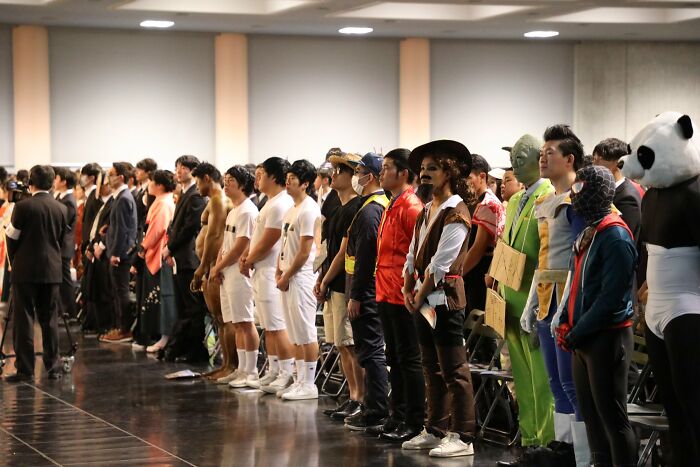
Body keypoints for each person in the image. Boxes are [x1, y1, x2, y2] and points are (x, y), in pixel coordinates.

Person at [554, 166, 638, 467]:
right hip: (584, 337)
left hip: (607, 336)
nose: (574, 194)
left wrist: (577, 330)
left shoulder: (615, 235)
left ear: (599, 193)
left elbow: (612, 298)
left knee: (613, 419)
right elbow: (576, 284)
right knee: (591, 419)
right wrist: (565, 321)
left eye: (580, 188)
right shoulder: (590, 232)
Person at [515, 125, 588, 467]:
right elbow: (544, 258)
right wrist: (532, 301)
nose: (542, 159)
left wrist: (567, 306)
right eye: (541, 153)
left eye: (549, 153)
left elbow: (579, 258)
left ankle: (583, 455)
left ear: (569, 159)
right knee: (556, 381)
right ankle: (563, 447)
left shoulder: (580, 200)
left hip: (568, 301)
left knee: (572, 384)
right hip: (546, 299)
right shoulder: (545, 201)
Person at [401, 140, 476, 458]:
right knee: (430, 366)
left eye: (432, 168)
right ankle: (435, 429)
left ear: (449, 172)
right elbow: (413, 252)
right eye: (422, 169)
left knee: (454, 369)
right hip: (424, 298)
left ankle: (463, 435)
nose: (424, 174)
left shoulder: (456, 212)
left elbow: (441, 263)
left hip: (444, 299)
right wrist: (408, 286)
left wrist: (418, 294)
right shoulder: (428, 209)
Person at [496, 135, 556, 466]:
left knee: (541, 377)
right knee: (520, 375)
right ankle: (530, 438)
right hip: (510, 297)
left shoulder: (549, 197)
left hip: (535, 300)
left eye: (521, 158)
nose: (515, 164)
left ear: (539, 159)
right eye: (512, 159)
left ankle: (546, 442)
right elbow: (505, 246)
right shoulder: (516, 199)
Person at [370, 148, 425, 442]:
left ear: (404, 173)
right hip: (385, 290)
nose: (382, 172)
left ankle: (414, 420)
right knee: (394, 356)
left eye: (387, 167)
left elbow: (419, 255)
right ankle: (397, 414)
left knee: (409, 358)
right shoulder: (392, 203)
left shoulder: (411, 207)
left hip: (403, 293)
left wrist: (410, 288)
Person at [341, 152, 390, 431]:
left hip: (367, 288)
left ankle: (376, 409)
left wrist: (356, 295)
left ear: (369, 176)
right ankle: (374, 406)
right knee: (368, 350)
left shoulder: (372, 209)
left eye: (358, 172)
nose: (355, 177)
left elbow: (365, 256)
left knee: (371, 351)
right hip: (367, 286)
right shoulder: (374, 205)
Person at [4, 165, 67, 381]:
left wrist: (14, 260)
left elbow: (12, 238)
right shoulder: (61, 208)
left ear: (31, 183)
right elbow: (60, 240)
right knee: (50, 320)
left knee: (24, 320)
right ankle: (54, 367)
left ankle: (26, 370)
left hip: (25, 270)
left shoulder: (22, 207)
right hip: (52, 271)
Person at [315, 152, 365, 421]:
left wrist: (325, 279)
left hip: (344, 282)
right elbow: (327, 247)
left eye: (339, 171)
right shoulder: (336, 204)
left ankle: (361, 397)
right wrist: (321, 276)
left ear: (352, 176)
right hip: (332, 281)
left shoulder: (356, 207)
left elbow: (344, 251)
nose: (333, 175)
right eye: (333, 171)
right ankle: (352, 395)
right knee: (341, 345)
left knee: (350, 343)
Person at [239, 157, 295, 394]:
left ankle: (287, 372)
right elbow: (257, 237)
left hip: (272, 270)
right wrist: (247, 257)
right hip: (261, 270)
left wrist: (248, 259)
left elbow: (270, 239)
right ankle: (274, 369)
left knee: (277, 325)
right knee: (268, 326)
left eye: (261, 175)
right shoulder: (269, 202)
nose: (257, 179)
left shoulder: (280, 203)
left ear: (273, 177)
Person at [209, 166, 259, 388]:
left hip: (239, 273)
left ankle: (252, 371)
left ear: (242, 184)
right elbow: (226, 244)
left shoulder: (248, 211)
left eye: (231, 180)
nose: (226, 184)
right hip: (227, 272)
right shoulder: (233, 210)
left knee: (246, 322)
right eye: (225, 179)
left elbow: (240, 246)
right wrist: (218, 265)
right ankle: (241, 369)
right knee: (236, 323)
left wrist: (218, 266)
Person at [276, 159, 322, 400]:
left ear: (305, 183)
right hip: (287, 275)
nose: (288, 183)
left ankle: (309, 384)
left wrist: (287, 274)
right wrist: (279, 270)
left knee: (305, 330)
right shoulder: (291, 209)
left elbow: (305, 252)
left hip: (301, 276)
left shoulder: (309, 209)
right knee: (294, 332)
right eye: (287, 178)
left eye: (293, 179)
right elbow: (284, 244)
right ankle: (299, 380)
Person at [162, 155, 208, 363]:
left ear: (193, 170)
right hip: (181, 256)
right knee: (184, 307)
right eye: (177, 167)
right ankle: (184, 349)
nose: (178, 171)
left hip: (189, 257)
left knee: (193, 307)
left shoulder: (196, 195)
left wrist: (170, 247)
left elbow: (190, 227)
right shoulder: (185, 192)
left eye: (182, 168)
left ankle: (195, 352)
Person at [190, 162, 235, 379]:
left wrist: (203, 267)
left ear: (207, 178)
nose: (197, 187)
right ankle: (226, 364)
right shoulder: (214, 200)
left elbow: (215, 235)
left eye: (198, 182)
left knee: (225, 318)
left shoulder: (218, 200)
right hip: (211, 265)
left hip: (215, 266)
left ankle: (232, 366)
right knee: (219, 319)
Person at [138, 170, 177, 354]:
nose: (149, 185)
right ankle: (159, 335)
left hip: (160, 253)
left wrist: (144, 246)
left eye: (152, 181)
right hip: (156, 251)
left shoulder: (164, 202)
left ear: (160, 185)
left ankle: (165, 336)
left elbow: (158, 228)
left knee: (163, 296)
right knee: (157, 296)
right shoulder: (161, 200)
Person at [100, 162, 138, 343]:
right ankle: (120, 326)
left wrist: (116, 253)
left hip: (121, 254)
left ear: (121, 177)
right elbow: (119, 224)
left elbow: (124, 230)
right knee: (117, 291)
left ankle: (124, 329)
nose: (108, 178)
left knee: (121, 292)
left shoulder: (123, 198)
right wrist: (108, 229)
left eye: (111, 174)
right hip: (119, 252)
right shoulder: (120, 197)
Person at [592, 138, 642, 240]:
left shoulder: (627, 197)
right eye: (594, 159)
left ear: (618, 163)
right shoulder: (606, 191)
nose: (594, 165)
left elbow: (624, 239)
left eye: (599, 160)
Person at [53, 167, 78, 320]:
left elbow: (63, 224)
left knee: (65, 281)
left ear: (63, 181)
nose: (54, 181)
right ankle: (62, 311)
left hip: (63, 246)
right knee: (60, 280)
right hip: (59, 246)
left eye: (56, 178)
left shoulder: (68, 200)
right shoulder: (60, 197)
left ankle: (69, 312)